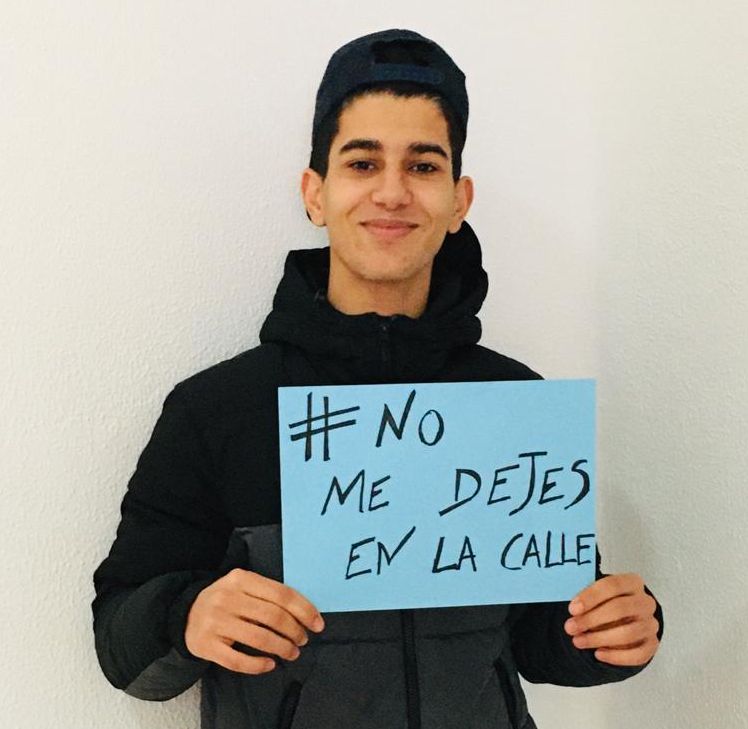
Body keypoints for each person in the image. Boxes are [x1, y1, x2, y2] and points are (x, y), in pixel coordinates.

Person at [92, 28, 663, 729]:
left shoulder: (516, 406)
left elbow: (542, 636)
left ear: (458, 201)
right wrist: (186, 617)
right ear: (315, 193)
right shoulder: (216, 410)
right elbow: (120, 647)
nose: (392, 193)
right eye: (362, 162)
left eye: (423, 166)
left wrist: (611, 632)